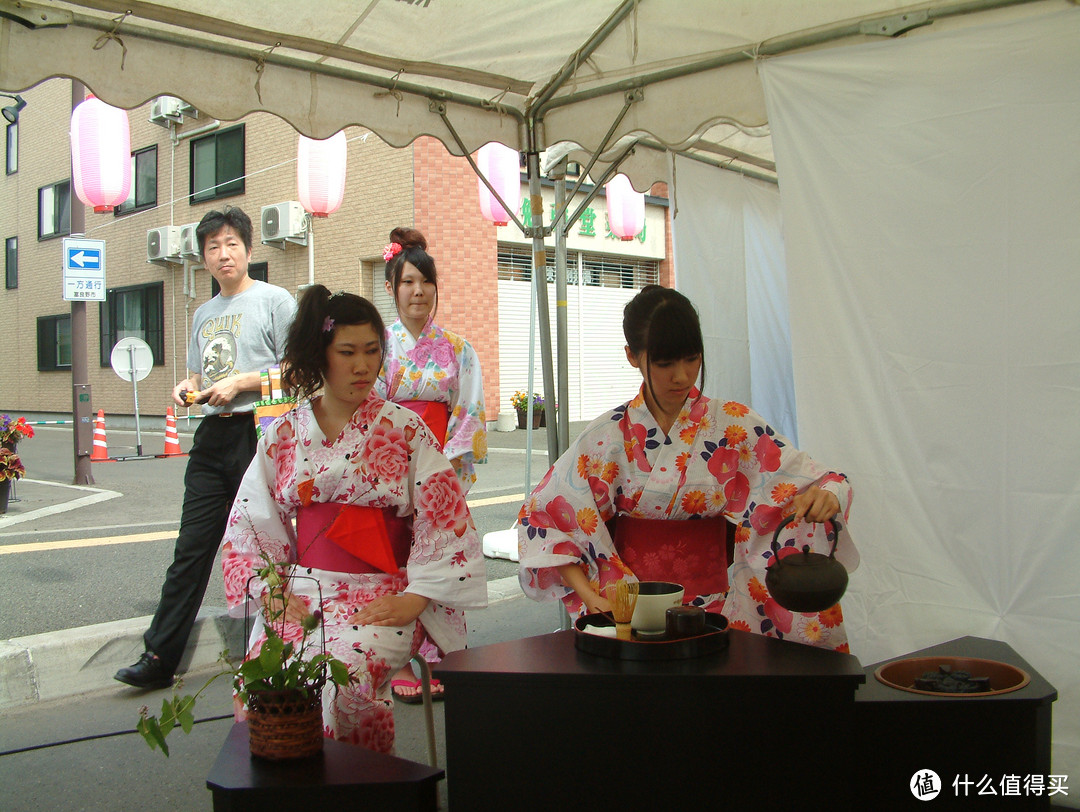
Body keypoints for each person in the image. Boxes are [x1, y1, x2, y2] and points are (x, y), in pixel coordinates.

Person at [517, 285, 858, 650]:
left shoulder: (733, 425)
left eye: (692, 359)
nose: (682, 376)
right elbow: (544, 518)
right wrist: (590, 594)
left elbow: (819, 481)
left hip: (718, 609)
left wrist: (827, 495)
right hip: (631, 609)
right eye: (665, 363)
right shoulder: (606, 436)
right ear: (633, 356)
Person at [220, 286, 487, 752]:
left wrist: (419, 595)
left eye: (372, 352)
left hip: (385, 592)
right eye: (347, 352)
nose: (363, 366)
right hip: (303, 593)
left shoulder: (405, 431)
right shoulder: (283, 433)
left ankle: (365, 791)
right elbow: (250, 528)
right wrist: (273, 593)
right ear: (319, 354)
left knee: (344, 678)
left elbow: (445, 517)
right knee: (264, 681)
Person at [115, 207, 296, 689]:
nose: (223, 254)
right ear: (203, 259)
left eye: (231, 243)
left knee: (271, 547)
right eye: (213, 247)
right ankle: (159, 658)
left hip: (260, 433)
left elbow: (300, 371)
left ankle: (286, 653)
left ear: (249, 249)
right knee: (190, 550)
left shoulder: (276, 301)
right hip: (212, 437)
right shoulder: (202, 313)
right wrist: (185, 386)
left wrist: (243, 382)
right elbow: (199, 374)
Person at [374, 227, 487, 702]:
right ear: (391, 288)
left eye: (425, 282)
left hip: (440, 471)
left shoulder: (458, 350)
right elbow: (371, 414)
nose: (417, 291)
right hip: (391, 469)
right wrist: (390, 474)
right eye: (407, 282)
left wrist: (446, 478)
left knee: (440, 557)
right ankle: (398, 657)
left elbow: (469, 413)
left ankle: (443, 654)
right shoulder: (378, 347)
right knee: (397, 563)